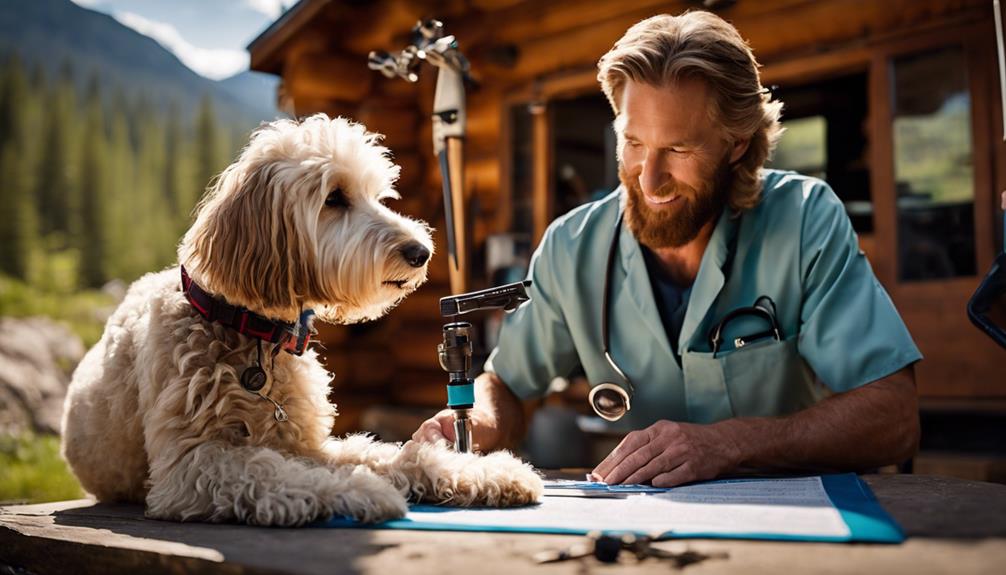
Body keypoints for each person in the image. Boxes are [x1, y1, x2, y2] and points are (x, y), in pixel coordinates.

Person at [414, 11, 922, 486]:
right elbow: (505, 385)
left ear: (737, 143)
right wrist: (478, 421)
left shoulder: (805, 219)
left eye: (678, 149)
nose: (650, 180)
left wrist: (732, 443)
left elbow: (893, 417)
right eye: (633, 143)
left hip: (794, 520)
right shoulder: (573, 246)